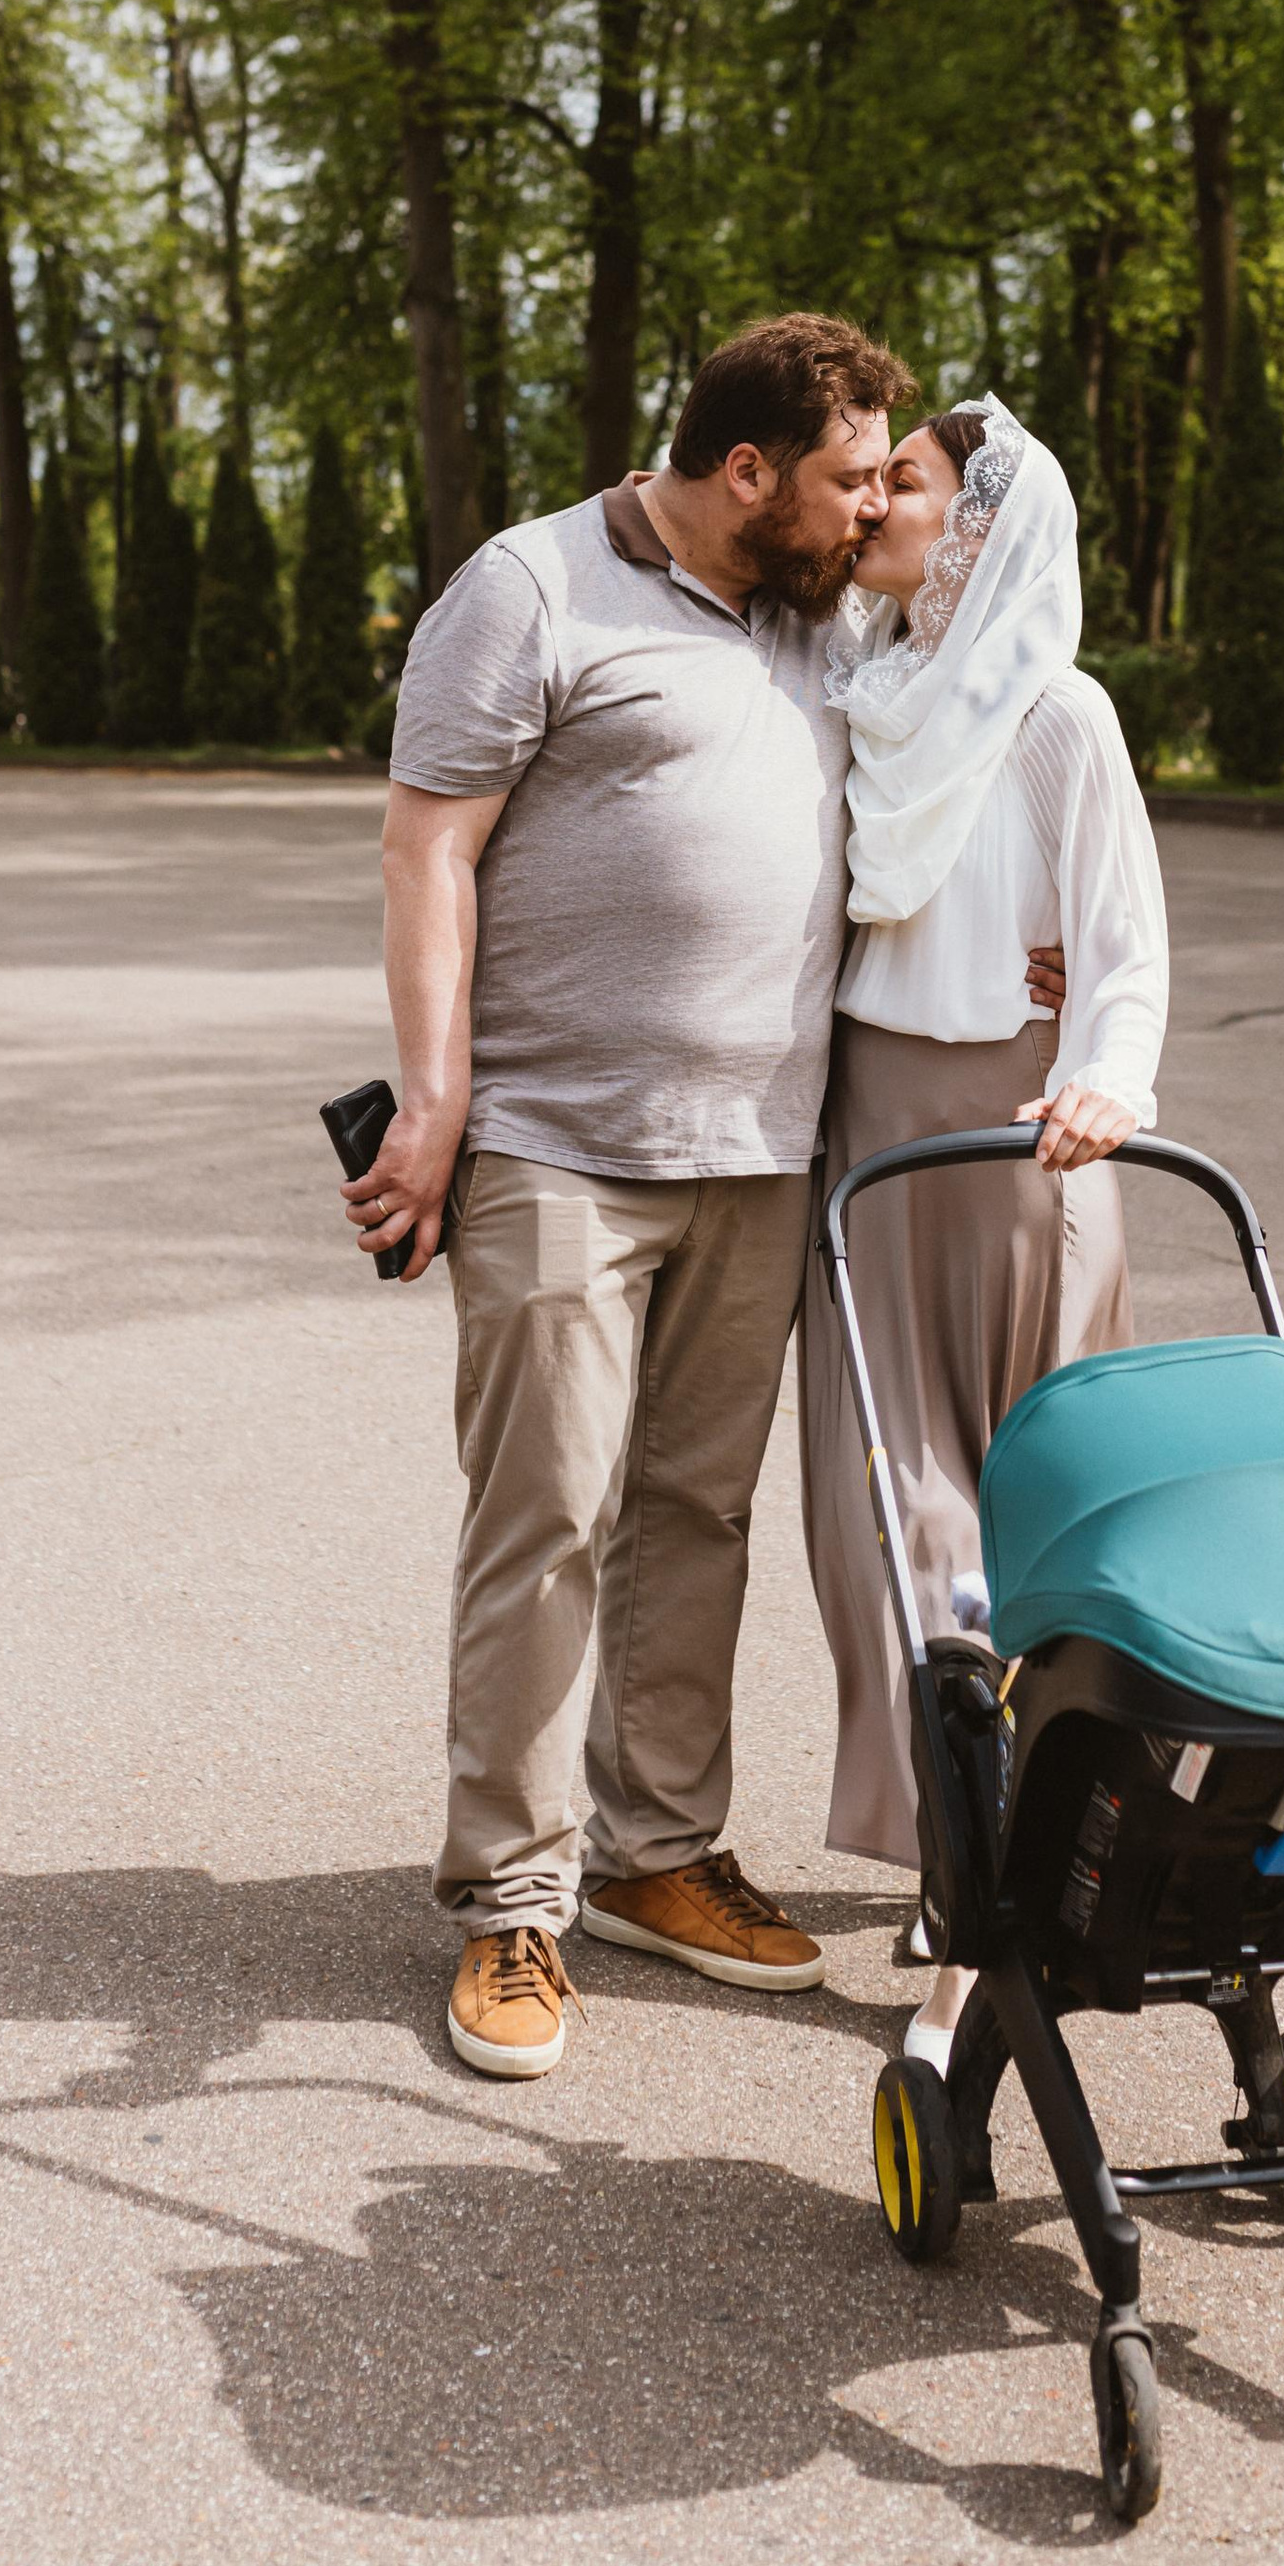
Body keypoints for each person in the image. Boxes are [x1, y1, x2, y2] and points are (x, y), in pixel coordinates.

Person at [341, 312, 912, 2079]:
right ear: (746, 473)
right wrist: (434, 1105)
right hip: (555, 1144)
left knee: (696, 1514)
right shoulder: (526, 591)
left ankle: (657, 1854)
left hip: (761, 1148)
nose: (871, 508)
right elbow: (428, 840)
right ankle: (513, 1903)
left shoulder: (823, 613)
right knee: (549, 1516)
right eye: (848, 476)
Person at [798, 395, 1170, 2075]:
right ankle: (962, 1833)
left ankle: (998, 1876)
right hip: (870, 1143)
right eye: (870, 475)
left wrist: (1099, 1075)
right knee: (881, 1512)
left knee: (1010, 1524)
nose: (877, 497)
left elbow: (1122, 940)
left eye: (912, 481)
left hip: (1020, 1146)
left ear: (983, 526)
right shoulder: (855, 692)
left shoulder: (1053, 715)